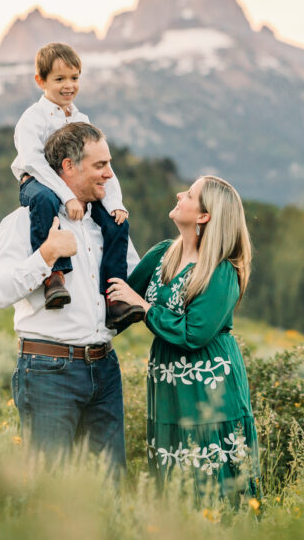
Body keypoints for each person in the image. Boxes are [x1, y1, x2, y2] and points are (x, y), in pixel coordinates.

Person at [0, 122, 140, 470]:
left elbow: (135, 280)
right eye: (100, 165)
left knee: (108, 489)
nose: (109, 174)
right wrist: (46, 255)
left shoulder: (105, 226)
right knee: (51, 493)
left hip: (105, 372)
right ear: (69, 167)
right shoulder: (21, 222)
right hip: (48, 373)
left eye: (109, 163)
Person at [106, 175, 259, 499]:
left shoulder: (221, 270)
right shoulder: (163, 254)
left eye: (189, 194)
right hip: (168, 385)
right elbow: (121, 302)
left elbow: (194, 333)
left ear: (204, 216)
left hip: (210, 388)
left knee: (211, 477)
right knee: (172, 470)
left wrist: (146, 308)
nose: (179, 194)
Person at [10, 42, 142, 327]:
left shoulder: (81, 120)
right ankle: (54, 277)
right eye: (59, 79)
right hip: (37, 181)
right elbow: (34, 162)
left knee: (117, 224)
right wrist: (68, 196)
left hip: (75, 187)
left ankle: (114, 296)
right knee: (44, 202)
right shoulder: (32, 119)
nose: (68, 85)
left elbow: (102, 166)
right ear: (41, 81)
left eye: (74, 77)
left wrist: (115, 203)